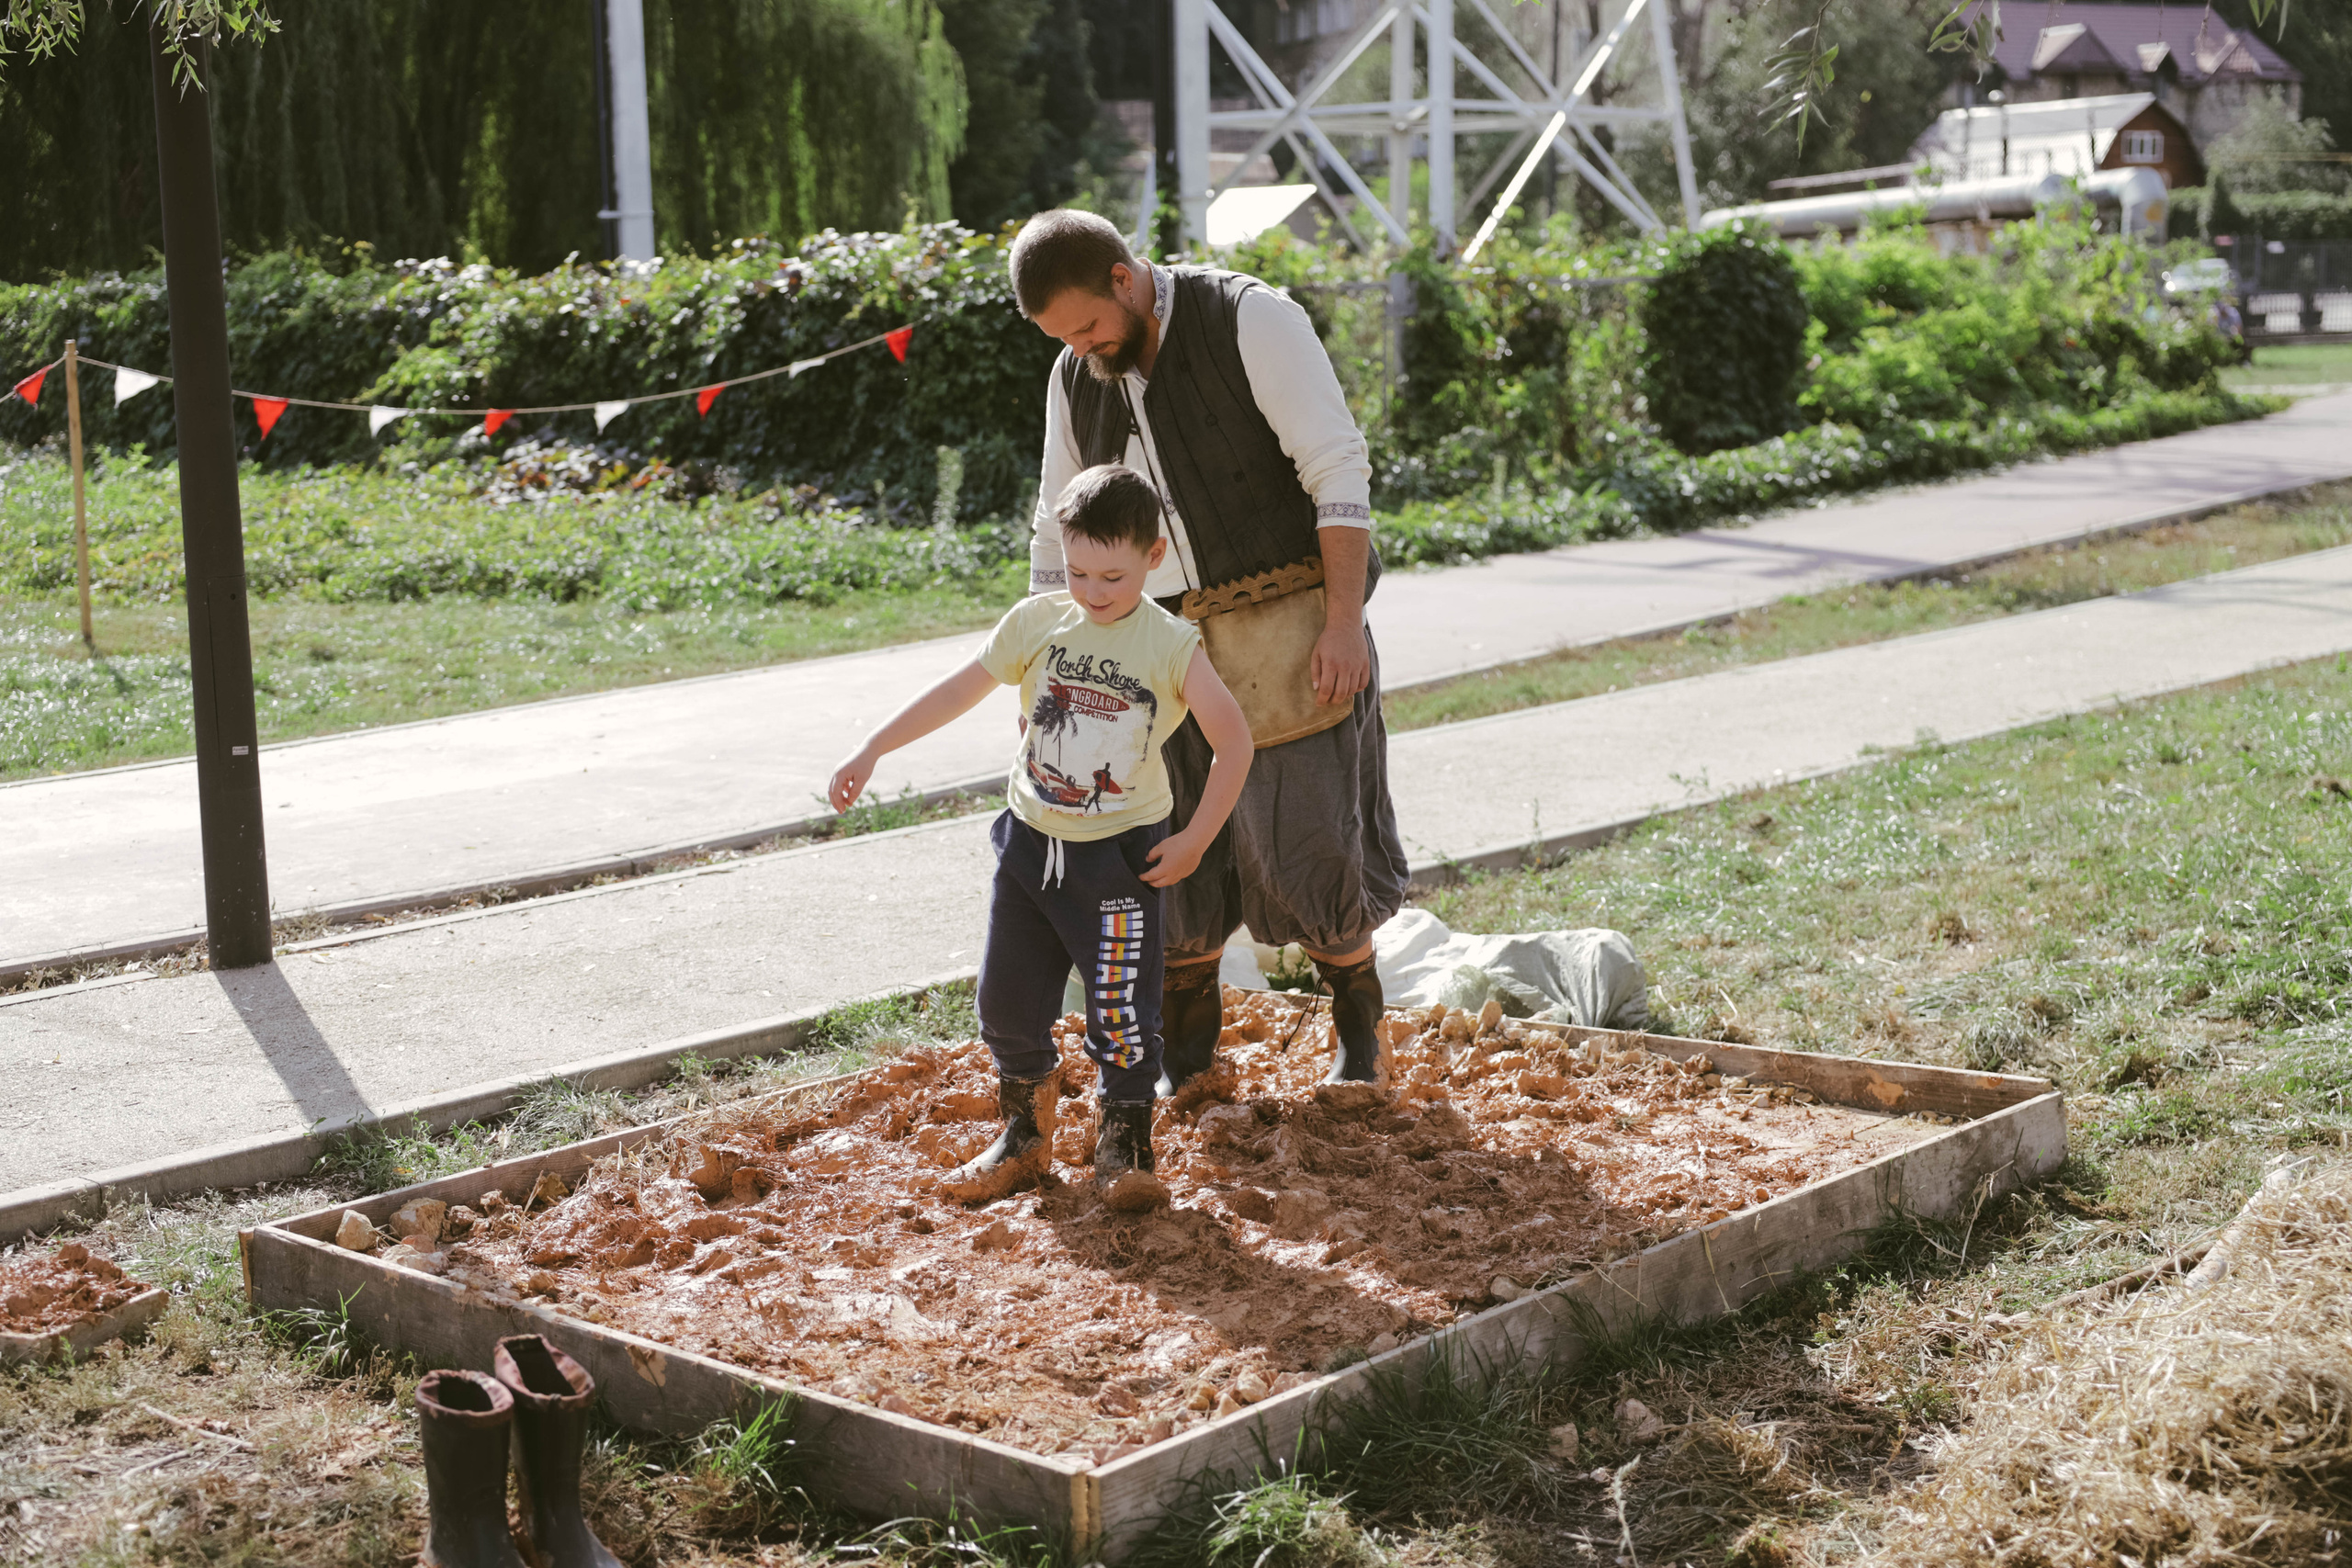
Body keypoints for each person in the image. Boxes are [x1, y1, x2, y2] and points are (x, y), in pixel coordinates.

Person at [1007, 208, 1408, 1093]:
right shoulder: (1075, 372)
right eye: (1059, 338)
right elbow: (1054, 520)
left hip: (1289, 626)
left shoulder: (1250, 318)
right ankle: (1185, 1049)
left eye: (1084, 326)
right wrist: (1050, 657)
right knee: (1162, 839)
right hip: (1150, 645)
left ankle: (1358, 1034)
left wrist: (1343, 624)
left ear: (1124, 278)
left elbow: (1337, 469)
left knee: (1308, 833)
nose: (1080, 348)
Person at [828, 464, 1253, 1209]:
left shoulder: (1171, 644)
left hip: (1120, 863)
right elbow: (960, 687)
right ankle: (1023, 1136)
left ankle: (1126, 1148)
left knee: (1122, 1012)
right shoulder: (1037, 622)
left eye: (1113, 575)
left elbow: (1236, 743)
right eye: (1079, 570)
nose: (1093, 590)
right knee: (1004, 1000)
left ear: (1155, 557)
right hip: (1028, 850)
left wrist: (1193, 840)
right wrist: (874, 748)